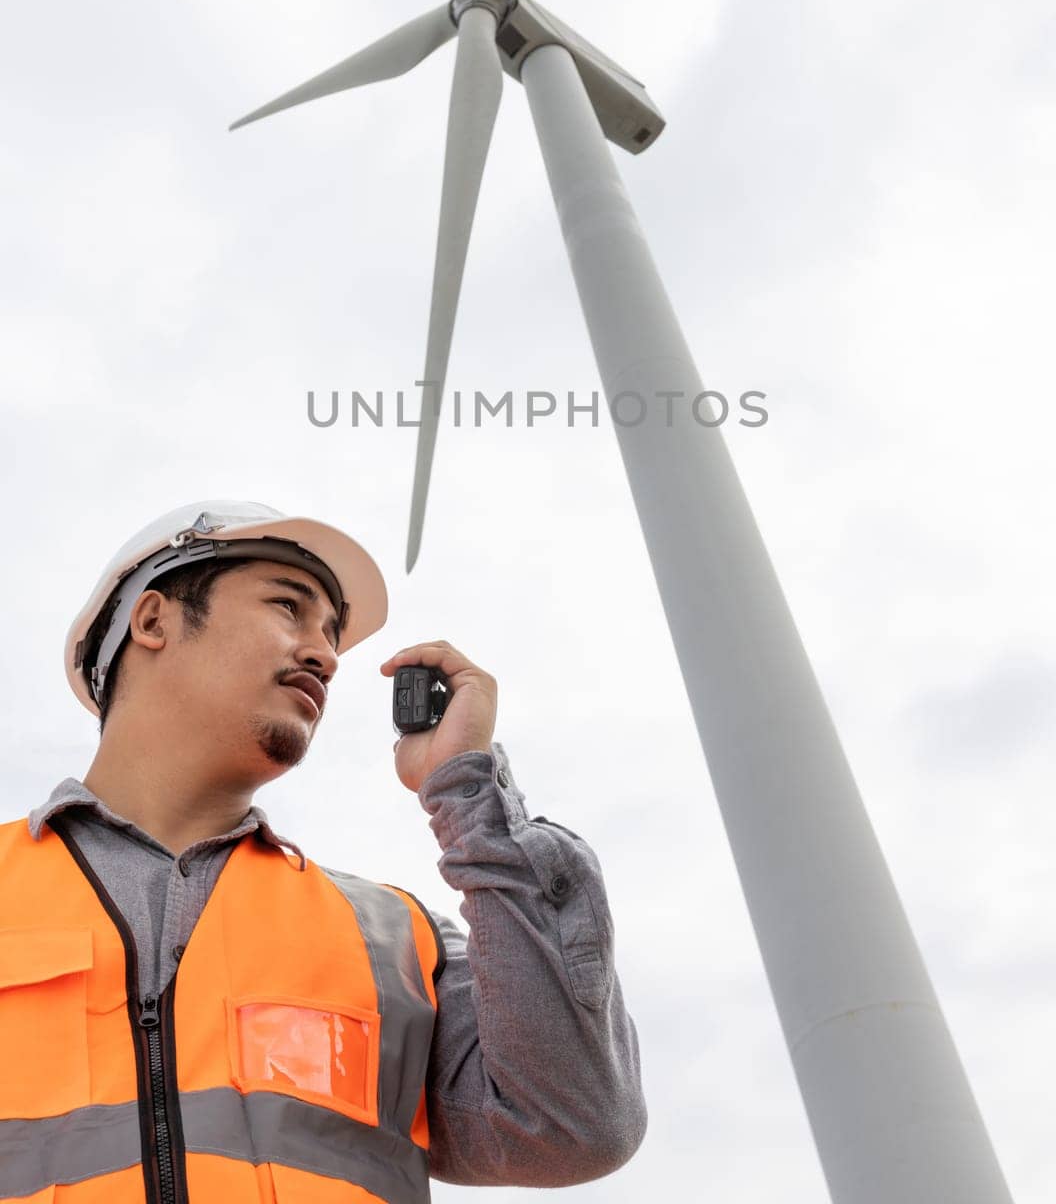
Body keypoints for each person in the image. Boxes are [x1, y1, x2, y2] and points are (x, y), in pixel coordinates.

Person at [0, 501, 646, 1203]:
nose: (326, 655)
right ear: (153, 620)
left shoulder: (393, 938)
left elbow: (570, 1127)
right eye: (288, 607)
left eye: (332, 634)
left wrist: (470, 797)